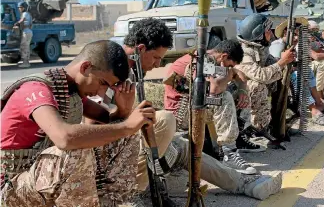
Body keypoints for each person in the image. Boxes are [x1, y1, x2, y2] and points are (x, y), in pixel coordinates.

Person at [88, 18, 282, 204]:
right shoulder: (110, 66)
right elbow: (94, 123)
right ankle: (130, 195)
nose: (157, 65)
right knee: (169, 124)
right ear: (141, 49)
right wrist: (125, 114)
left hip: (128, 137)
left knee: (184, 147)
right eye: (156, 58)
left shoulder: (131, 69)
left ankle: (244, 184)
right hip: (111, 151)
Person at [0, 40, 154, 207]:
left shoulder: (71, 92)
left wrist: (123, 113)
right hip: (11, 186)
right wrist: (127, 125)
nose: (101, 92)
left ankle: (111, 202)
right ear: (86, 67)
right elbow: (64, 138)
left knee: (126, 135)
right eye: (102, 83)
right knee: (76, 147)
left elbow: (110, 122)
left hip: (39, 179)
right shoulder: (36, 89)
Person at [164, 39, 262, 175]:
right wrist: (227, 77)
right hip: (182, 113)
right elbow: (215, 90)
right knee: (225, 97)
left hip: (193, 105)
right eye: (229, 64)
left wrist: (242, 91)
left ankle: (237, 138)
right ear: (224, 56)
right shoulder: (203, 61)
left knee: (236, 91)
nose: (228, 67)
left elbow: (240, 75)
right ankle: (229, 153)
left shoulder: (210, 57)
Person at [234, 14, 296, 146]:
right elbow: (261, 75)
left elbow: (272, 65)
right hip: (238, 93)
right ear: (258, 34)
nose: (270, 33)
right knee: (257, 85)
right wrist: (282, 62)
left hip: (247, 93)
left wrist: (285, 61)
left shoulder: (260, 48)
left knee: (281, 76)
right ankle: (253, 129)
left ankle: (271, 126)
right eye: (267, 31)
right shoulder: (244, 52)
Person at [270, 19, 324, 126]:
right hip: (276, 77)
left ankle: (319, 103)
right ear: (286, 32)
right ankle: (313, 110)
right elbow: (275, 65)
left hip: (288, 73)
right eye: (296, 34)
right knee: (297, 76)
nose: (298, 37)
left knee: (307, 71)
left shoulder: (296, 44)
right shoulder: (278, 44)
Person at [14, 1, 33, 68]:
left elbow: (22, 19)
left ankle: (26, 63)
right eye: (19, 7)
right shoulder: (26, 13)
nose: (19, 8)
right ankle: (26, 62)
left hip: (26, 32)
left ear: (24, 8)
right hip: (27, 32)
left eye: (20, 7)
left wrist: (18, 23)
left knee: (24, 46)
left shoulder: (25, 13)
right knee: (25, 46)